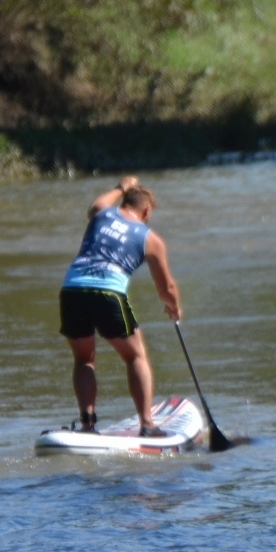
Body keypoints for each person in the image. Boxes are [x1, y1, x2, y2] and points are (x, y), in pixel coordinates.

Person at [59, 175, 183, 435]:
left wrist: (122, 186)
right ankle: (147, 424)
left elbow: (97, 203)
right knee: (135, 356)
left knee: (84, 359)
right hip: (108, 293)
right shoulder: (150, 239)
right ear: (147, 210)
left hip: (72, 289)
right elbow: (167, 288)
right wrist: (173, 307)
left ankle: (87, 425)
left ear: (124, 201)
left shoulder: (101, 214)